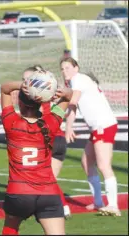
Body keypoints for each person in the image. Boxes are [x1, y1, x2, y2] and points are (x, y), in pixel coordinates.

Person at [1, 70, 73, 235]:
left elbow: (4, 88)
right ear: (41, 103)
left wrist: (24, 84)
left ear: (20, 102)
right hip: (48, 193)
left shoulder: (10, 122)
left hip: (19, 192)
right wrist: (60, 92)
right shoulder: (51, 123)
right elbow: (69, 96)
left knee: (10, 229)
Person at [61, 57, 120, 217]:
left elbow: (72, 103)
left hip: (103, 125)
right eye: (62, 68)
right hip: (97, 127)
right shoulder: (77, 81)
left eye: (67, 68)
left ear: (76, 68)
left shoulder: (78, 79)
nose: (64, 71)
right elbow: (72, 104)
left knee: (103, 165)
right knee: (86, 163)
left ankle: (113, 205)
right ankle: (98, 201)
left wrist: (68, 127)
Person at [25, 65, 71, 219]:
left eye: (27, 80)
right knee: (51, 179)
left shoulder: (35, 100)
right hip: (60, 139)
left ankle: (61, 207)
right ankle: (62, 207)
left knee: (46, 178)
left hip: (49, 140)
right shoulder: (49, 95)